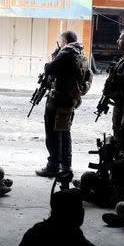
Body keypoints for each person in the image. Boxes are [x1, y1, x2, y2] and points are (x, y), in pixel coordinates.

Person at [36, 30, 92, 177]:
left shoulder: (66, 53)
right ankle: (66, 166)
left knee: (53, 134)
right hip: (70, 100)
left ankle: (53, 166)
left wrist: (56, 54)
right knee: (65, 133)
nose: (59, 44)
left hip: (58, 100)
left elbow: (49, 68)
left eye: (60, 42)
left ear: (65, 42)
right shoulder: (80, 53)